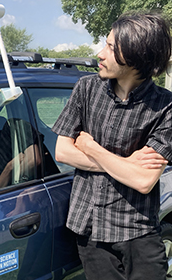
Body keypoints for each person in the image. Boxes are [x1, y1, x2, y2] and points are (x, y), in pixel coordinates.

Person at [52, 11, 172, 280]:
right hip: (91, 229)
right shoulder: (86, 88)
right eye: (105, 43)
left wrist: (91, 147)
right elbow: (62, 150)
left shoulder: (166, 106)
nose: (100, 53)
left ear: (136, 57)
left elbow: (143, 180)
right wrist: (126, 164)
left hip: (139, 231)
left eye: (111, 48)